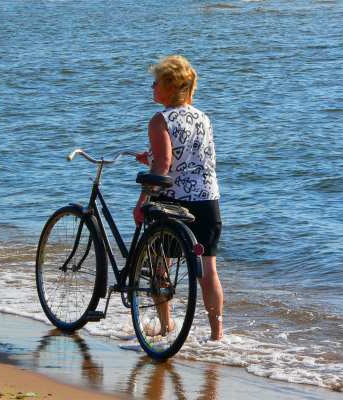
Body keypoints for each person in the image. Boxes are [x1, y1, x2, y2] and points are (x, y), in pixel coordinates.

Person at [134, 55, 224, 340]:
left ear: (169, 87)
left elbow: (163, 166)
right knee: (208, 268)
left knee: (161, 262)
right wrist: (152, 156)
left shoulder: (160, 120)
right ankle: (217, 335)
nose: (152, 87)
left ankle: (166, 325)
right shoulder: (203, 117)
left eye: (155, 82)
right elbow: (192, 156)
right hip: (208, 199)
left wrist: (142, 202)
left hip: (174, 201)